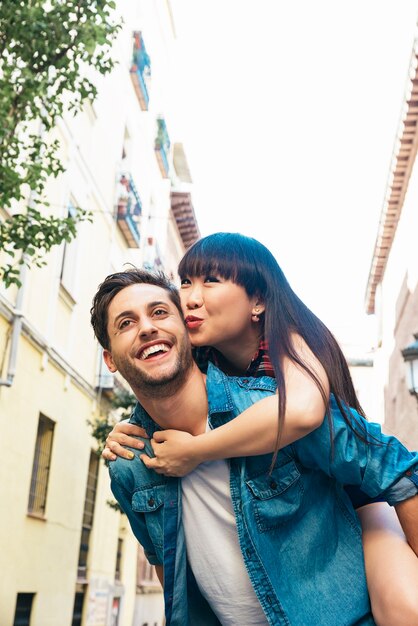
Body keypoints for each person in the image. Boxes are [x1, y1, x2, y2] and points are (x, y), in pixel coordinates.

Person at [104, 232, 418, 626]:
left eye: (211, 281)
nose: (191, 297)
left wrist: (195, 451)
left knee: (405, 609)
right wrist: (130, 428)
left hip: (359, 499)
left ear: (258, 301)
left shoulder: (290, 342)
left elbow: (303, 412)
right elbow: (157, 381)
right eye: (185, 282)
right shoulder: (200, 351)